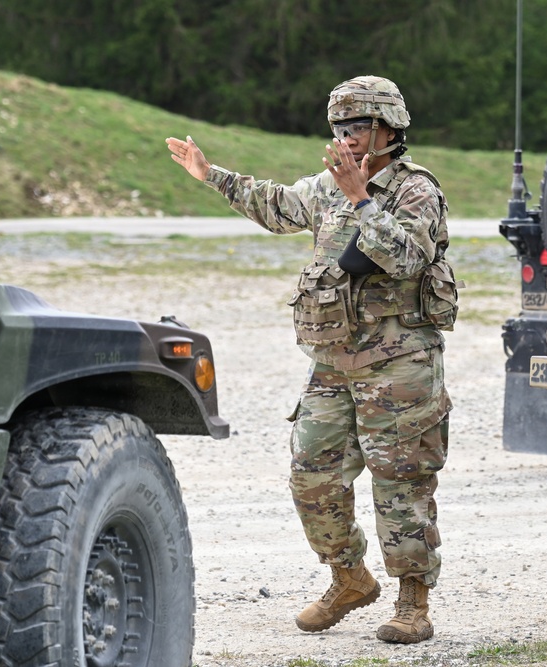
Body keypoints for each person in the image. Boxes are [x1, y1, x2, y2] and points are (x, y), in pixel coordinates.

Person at [165, 75, 458, 644]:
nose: (346, 139)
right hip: (332, 364)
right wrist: (211, 174)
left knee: (402, 482)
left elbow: (404, 257)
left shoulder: (416, 191)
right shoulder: (327, 188)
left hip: (398, 366)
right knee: (312, 477)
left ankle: (412, 603)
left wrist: (359, 198)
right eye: (339, 128)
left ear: (388, 130)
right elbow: (276, 206)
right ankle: (350, 579)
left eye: (357, 128)